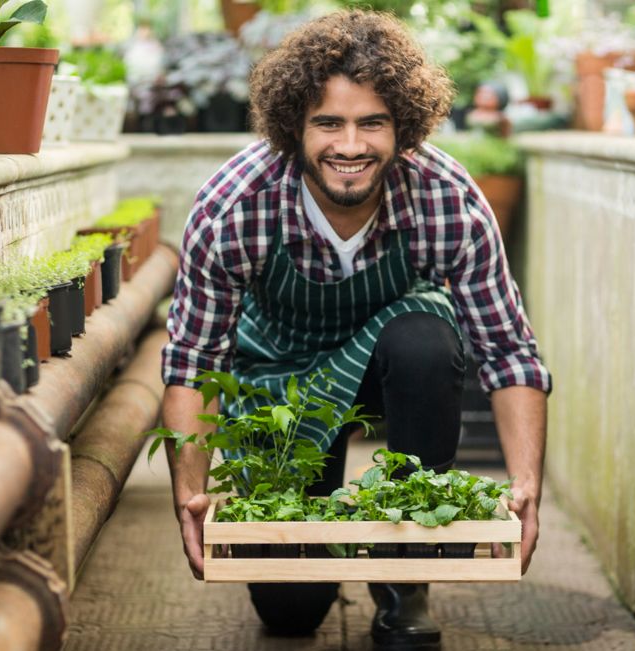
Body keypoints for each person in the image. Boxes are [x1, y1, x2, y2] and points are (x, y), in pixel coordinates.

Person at [160, 10, 552, 649]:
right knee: (290, 614)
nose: (350, 145)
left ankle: (405, 580)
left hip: (389, 364)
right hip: (281, 392)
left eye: (372, 122)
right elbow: (194, 359)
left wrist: (527, 482)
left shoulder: (446, 198)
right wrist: (190, 494)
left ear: (404, 127)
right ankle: (317, 560)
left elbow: (507, 349)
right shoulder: (235, 205)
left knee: (427, 341)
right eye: (328, 123)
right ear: (294, 127)